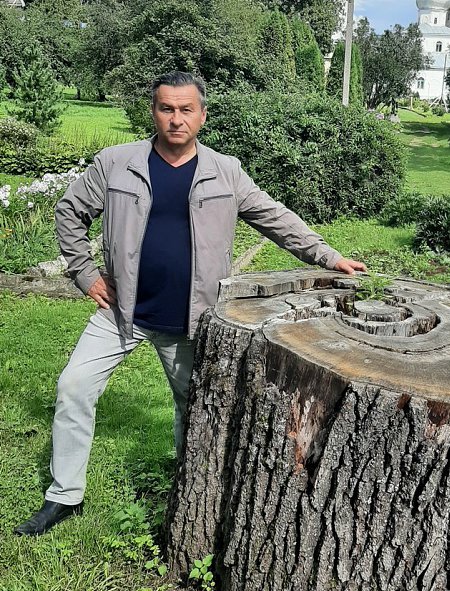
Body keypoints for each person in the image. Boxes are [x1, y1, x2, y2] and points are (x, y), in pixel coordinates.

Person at [15, 71, 366, 536]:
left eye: (185, 109)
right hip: (122, 313)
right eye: (166, 108)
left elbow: (275, 218)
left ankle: (189, 493)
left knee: (192, 406)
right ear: (153, 111)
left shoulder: (225, 171)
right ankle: (64, 496)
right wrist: (85, 273)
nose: (175, 119)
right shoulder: (116, 163)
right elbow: (69, 211)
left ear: (202, 115)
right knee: (73, 387)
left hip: (192, 320)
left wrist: (328, 256)